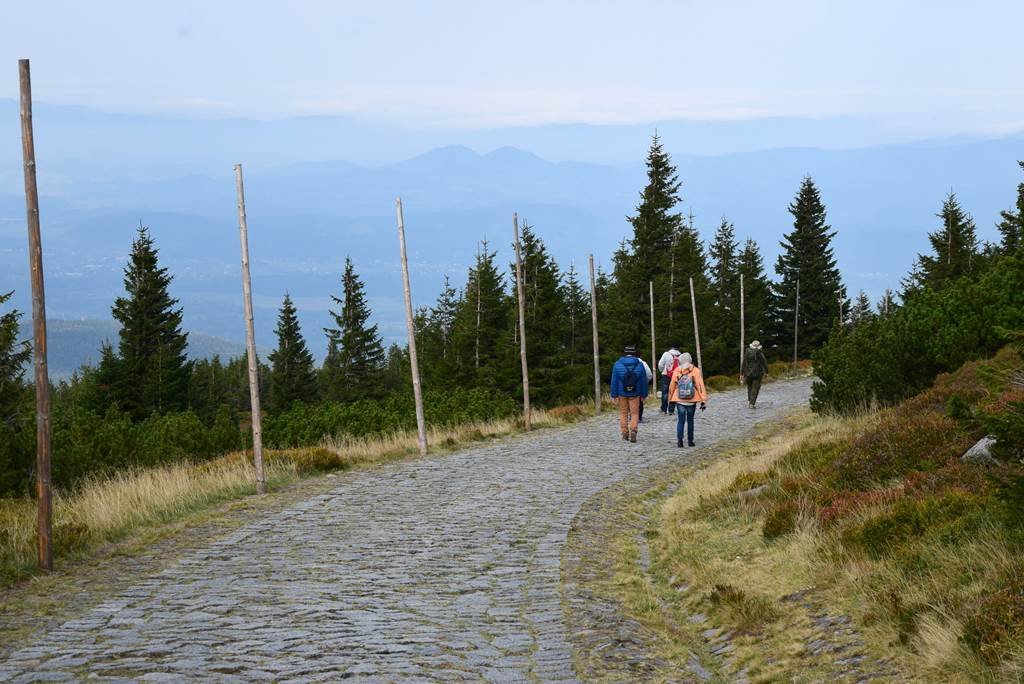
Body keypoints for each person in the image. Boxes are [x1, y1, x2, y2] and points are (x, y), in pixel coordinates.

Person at [610, 344, 649, 442]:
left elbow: (614, 381)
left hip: (622, 393)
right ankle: (634, 430)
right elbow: (643, 381)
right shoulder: (640, 365)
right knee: (635, 413)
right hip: (635, 393)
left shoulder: (617, 364)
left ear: (624, 353)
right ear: (634, 354)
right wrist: (644, 395)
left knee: (623, 413)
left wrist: (614, 394)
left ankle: (624, 433)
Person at [668, 352, 707, 447]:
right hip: (692, 399)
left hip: (680, 399)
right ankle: (690, 441)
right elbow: (700, 386)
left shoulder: (677, 370)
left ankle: (680, 441)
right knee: (690, 420)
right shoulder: (696, 371)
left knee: (681, 420)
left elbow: (672, 386)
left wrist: (670, 399)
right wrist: (703, 400)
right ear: (690, 360)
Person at [741, 340, 769, 409]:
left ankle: (750, 400)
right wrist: (766, 372)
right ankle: (752, 403)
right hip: (758, 373)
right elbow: (764, 363)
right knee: (755, 388)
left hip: (747, 373)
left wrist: (742, 373)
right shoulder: (759, 353)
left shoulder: (747, 352)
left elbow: (744, 363)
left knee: (749, 387)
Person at [657, 345, 682, 414]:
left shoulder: (666, 354)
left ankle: (664, 409)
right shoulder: (680, 355)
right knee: (673, 392)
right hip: (676, 376)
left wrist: (662, 370)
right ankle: (671, 410)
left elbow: (660, 364)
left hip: (666, 375)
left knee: (665, 392)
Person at [638, 357, 654, 422]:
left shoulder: (622, 363)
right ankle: (639, 417)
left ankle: (631, 416)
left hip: (625, 387)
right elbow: (649, 375)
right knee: (640, 402)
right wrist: (645, 382)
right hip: (640, 385)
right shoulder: (643, 363)